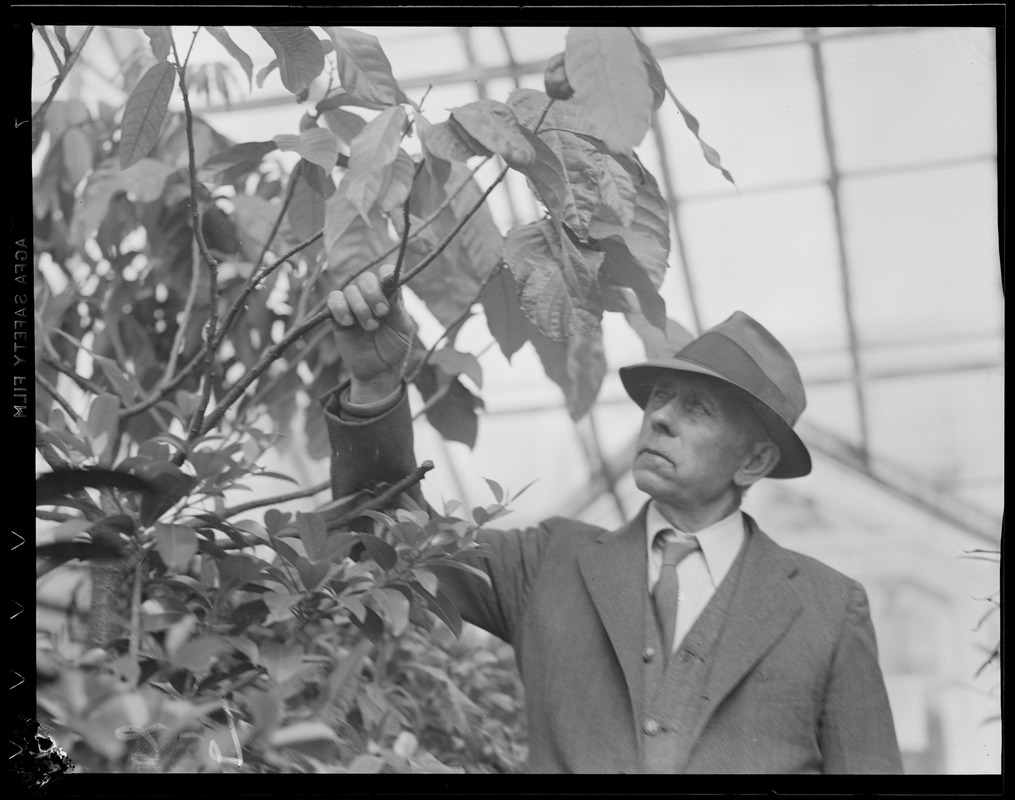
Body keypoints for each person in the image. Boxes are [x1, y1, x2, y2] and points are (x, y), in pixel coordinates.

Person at [320, 263, 904, 775]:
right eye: (659, 398)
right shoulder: (549, 561)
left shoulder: (829, 608)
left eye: (696, 408)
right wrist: (375, 383)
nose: (660, 418)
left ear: (754, 460)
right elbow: (386, 537)